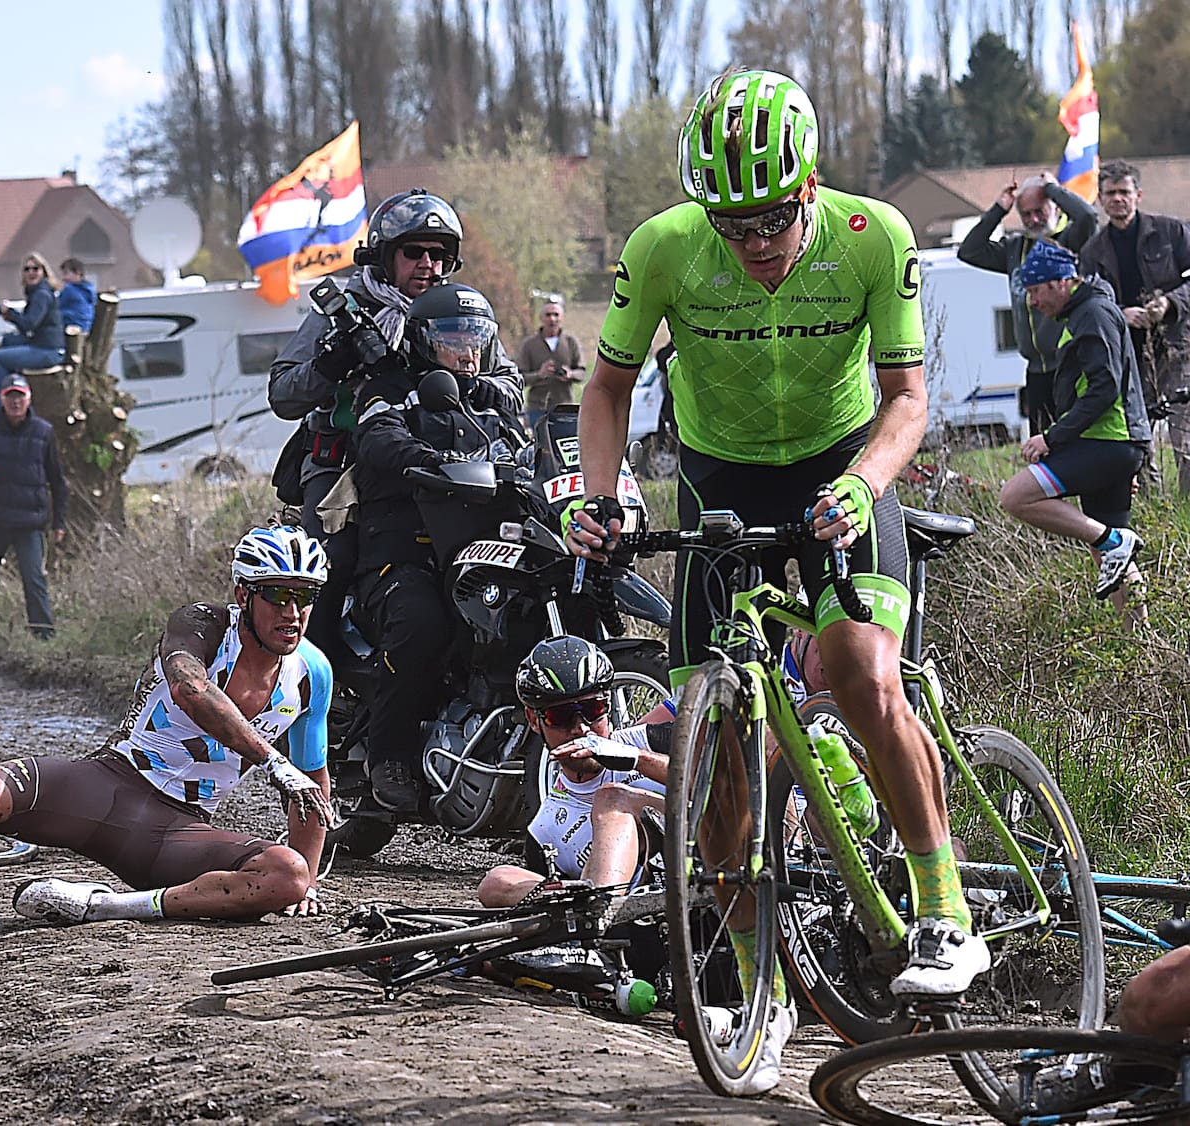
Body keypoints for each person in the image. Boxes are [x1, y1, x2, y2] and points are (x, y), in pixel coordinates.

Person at [566, 68, 986, 1094]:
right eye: (731, 223)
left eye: (768, 220)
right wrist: (603, 493)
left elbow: (905, 400)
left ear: (808, 188)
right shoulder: (663, 248)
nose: (751, 244)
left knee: (854, 665)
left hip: (844, 466)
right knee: (716, 767)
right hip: (716, 483)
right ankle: (754, 989)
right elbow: (606, 386)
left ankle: (943, 909)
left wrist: (858, 486)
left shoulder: (871, 236)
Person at [0, 526, 336, 939]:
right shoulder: (203, 625)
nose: (292, 612)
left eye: (306, 596)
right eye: (276, 594)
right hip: (108, 786)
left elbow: (313, 783)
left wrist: (308, 880)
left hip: (175, 832)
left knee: (288, 875)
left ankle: (104, 907)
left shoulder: (313, 672)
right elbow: (190, 690)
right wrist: (273, 761)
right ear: (243, 594)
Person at [267, 189, 520, 677]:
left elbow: (512, 385)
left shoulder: (459, 311)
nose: (428, 263)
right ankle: (313, 682)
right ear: (385, 255)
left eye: (439, 253)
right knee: (328, 563)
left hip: (443, 462)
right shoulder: (344, 309)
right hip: (346, 467)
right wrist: (331, 363)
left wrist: (476, 386)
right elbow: (283, 393)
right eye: (414, 252)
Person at [348, 282, 525, 812]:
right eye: (453, 337)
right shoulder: (390, 387)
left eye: (476, 337)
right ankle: (389, 756)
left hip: (481, 549)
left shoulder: (492, 401)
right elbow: (377, 437)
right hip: (405, 552)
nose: (467, 349)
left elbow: (529, 450)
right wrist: (426, 458)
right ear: (425, 340)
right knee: (422, 621)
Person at [997, 243, 1149, 614]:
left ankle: (1113, 539)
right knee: (1111, 562)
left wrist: (1052, 438)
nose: (1032, 302)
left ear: (1063, 282)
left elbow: (1105, 389)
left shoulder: (1093, 314)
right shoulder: (1084, 313)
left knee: (1015, 496)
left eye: (1035, 290)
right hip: (1112, 444)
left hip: (1107, 442)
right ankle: (1142, 647)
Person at [477, 638, 672, 906]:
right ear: (534, 721)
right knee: (496, 881)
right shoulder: (545, 832)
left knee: (612, 798)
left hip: (699, 865)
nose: (581, 728)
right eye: (560, 716)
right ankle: (590, 902)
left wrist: (637, 759)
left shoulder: (647, 742)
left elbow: (717, 781)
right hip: (639, 928)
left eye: (593, 710)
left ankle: (601, 903)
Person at [955, 173, 1102, 436]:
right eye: (1026, 214)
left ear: (1055, 208)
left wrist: (1053, 189)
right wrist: (1000, 209)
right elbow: (969, 251)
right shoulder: (1015, 249)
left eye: (1040, 211)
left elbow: (1089, 217)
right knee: (1042, 448)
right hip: (1035, 371)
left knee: (1073, 443)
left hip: (1070, 365)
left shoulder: (1071, 241)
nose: (1034, 219)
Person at [1079, 160, 1190, 495]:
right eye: (1110, 193)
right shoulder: (1092, 251)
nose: (1117, 199)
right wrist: (1118, 313)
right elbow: (1087, 303)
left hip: (1176, 349)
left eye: (1124, 192)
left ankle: (1186, 511)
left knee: (1185, 439)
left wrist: (1170, 303)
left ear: (1138, 195)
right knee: (1137, 444)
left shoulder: (1172, 232)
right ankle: (1154, 510)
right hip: (1127, 357)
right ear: (1099, 199)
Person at [0, 375, 66, 639]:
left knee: (34, 580)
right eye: (10, 396)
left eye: (20, 396)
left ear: (29, 398)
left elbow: (57, 481)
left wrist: (59, 522)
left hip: (29, 521)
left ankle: (43, 633)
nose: (16, 402)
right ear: (2, 399)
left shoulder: (44, 431)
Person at [0, 253, 65, 389]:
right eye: (27, 269)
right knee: (8, 340)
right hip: (42, 346)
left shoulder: (41, 295)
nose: (31, 272)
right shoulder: (36, 293)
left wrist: (10, 313)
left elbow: (30, 324)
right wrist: (11, 317)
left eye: (36, 269)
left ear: (43, 272)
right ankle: (14, 386)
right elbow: (28, 327)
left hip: (48, 351)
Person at [516, 295, 584, 429]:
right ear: (541, 318)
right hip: (537, 408)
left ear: (562, 318)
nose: (552, 319)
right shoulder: (529, 345)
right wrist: (539, 374)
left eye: (556, 315)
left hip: (565, 408)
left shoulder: (570, 342)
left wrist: (570, 374)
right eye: (548, 315)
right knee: (540, 447)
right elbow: (519, 378)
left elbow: (582, 372)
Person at [56, 258, 96, 333]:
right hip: (86, 328)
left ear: (78, 273)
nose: (64, 278)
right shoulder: (89, 290)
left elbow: (56, 308)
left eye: (66, 273)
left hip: (70, 329)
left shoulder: (69, 289)